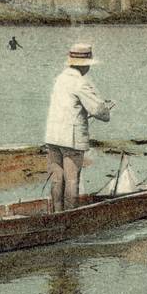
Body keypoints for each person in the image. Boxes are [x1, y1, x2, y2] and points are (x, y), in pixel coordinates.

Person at [44, 43, 114, 213]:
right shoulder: (80, 82)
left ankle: (57, 214)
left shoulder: (60, 78)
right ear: (85, 65)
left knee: (57, 179)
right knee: (72, 179)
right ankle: (69, 218)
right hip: (71, 139)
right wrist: (106, 108)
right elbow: (98, 110)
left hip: (53, 136)